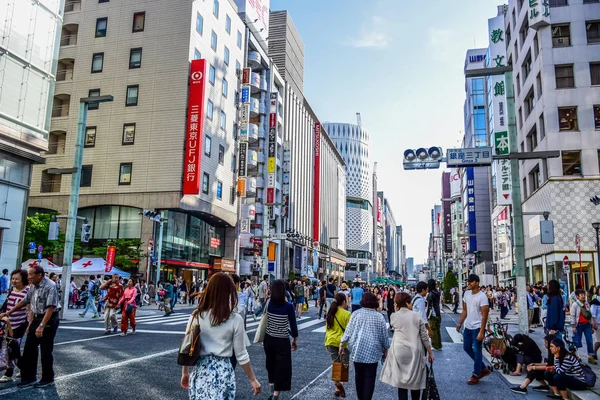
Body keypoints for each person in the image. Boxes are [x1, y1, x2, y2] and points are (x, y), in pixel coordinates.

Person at [181, 273, 261, 399]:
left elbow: (187, 346)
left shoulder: (196, 316)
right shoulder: (235, 319)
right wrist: (253, 379)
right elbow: (241, 355)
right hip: (223, 371)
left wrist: (185, 372)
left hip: (201, 370)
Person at [2, 265, 59, 388]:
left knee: (45, 350)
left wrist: (42, 326)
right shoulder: (33, 285)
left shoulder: (50, 286)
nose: (28, 277)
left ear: (39, 275)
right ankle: (29, 377)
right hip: (36, 318)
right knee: (29, 349)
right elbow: (25, 301)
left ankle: (47, 378)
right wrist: (9, 312)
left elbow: (51, 308)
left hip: (48, 319)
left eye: (30, 275)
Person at [380, 292, 434, 400]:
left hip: (399, 351)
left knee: (402, 384)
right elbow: (424, 336)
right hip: (415, 351)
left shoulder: (394, 316)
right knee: (415, 383)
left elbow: (394, 325)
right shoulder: (416, 316)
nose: (411, 305)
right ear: (406, 302)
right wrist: (430, 352)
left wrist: (396, 310)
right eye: (410, 303)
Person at [340, 292, 390, 400]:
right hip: (373, 352)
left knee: (359, 376)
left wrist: (342, 343)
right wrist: (386, 348)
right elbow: (384, 336)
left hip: (358, 350)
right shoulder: (379, 317)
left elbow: (348, 331)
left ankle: (360, 397)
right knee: (370, 378)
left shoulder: (356, 314)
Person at [264, 279, 298, 400]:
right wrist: (295, 339)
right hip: (282, 340)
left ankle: (272, 389)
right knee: (281, 367)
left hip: (269, 338)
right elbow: (293, 325)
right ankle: (275, 395)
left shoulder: (269, 302)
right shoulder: (288, 307)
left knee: (270, 364)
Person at [455, 274, 491, 385]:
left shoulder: (482, 297)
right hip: (468, 326)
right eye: (468, 281)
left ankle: (476, 374)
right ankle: (483, 368)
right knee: (466, 347)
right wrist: (460, 323)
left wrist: (482, 331)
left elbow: (485, 315)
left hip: (478, 327)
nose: (469, 283)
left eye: (471, 281)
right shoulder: (466, 294)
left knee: (477, 349)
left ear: (477, 283)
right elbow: (465, 310)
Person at [0, 269, 30, 382]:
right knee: (8, 348)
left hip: (19, 325)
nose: (14, 281)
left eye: (17, 279)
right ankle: (16, 371)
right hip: (8, 324)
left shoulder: (28, 291)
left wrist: (28, 325)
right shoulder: (12, 290)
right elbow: (6, 305)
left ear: (23, 280)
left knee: (13, 349)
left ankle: (15, 371)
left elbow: (28, 310)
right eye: (13, 278)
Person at [325, 293, 351, 398]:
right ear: (344, 302)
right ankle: (341, 384)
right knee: (344, 365)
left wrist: (326, 342)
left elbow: (327, 329)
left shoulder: (331, 312)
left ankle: (336, 388)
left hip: (331, 341)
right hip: (343, 343)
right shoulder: (347, 314)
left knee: (336, 364)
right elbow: (349, 331)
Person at [571, 288, 597, 364]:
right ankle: (575, 356)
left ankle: (590, 356)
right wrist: (573, 326)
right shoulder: (575, 305)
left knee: (589, 341)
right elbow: (573, 316)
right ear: (577, 296)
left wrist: (592, 325)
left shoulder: (587, 304)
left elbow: (590, 315)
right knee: (576, 341)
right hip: (578, 325)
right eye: (581, 295)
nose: (583, 296)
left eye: (584, 294)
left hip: (587, 325)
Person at [427, 279, 442, 350]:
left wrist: (426, 315)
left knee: (433, 330)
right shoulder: (437, 292)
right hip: (438, 312)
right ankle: (439, 345)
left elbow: (429, 306)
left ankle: (435, 345)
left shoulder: (430, 294)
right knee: (437, 329)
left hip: (432, 313)